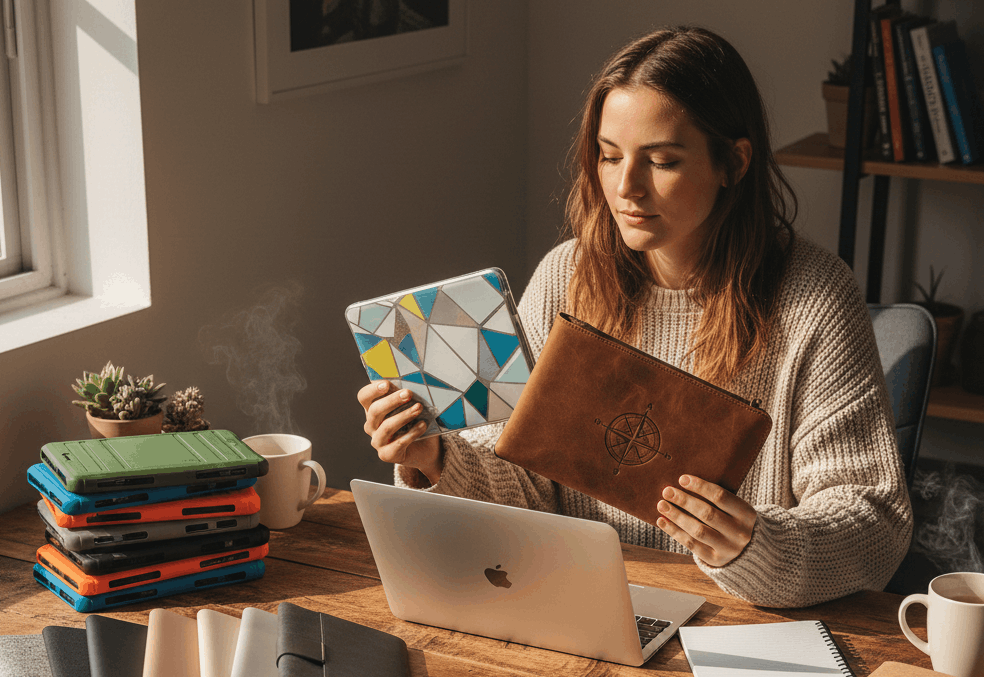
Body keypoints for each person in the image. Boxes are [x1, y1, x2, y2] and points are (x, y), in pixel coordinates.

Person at [357, 26, 912, 608]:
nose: (626, 188)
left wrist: (755, 545)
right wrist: (435, 458)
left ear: (734, 162)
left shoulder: (815, 297)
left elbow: (874, 525)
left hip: (743, 623)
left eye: (663, 161)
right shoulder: (566, 276)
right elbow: (522, 482)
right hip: (577, 603)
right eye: (609, 156)